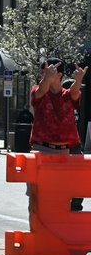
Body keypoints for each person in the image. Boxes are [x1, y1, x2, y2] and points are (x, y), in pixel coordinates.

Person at [28, 58, 87, 212]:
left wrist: (79, 80)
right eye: (43, 72)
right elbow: (40, 91)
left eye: (49, 72)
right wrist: (47, 78)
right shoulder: (38, 91)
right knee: (38, 202)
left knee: (65, 200)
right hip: (42, 151)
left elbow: (74, 92)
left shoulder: (67, 95)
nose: (44, 75)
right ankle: (38, 234)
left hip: (66, 152)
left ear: (59, 75)